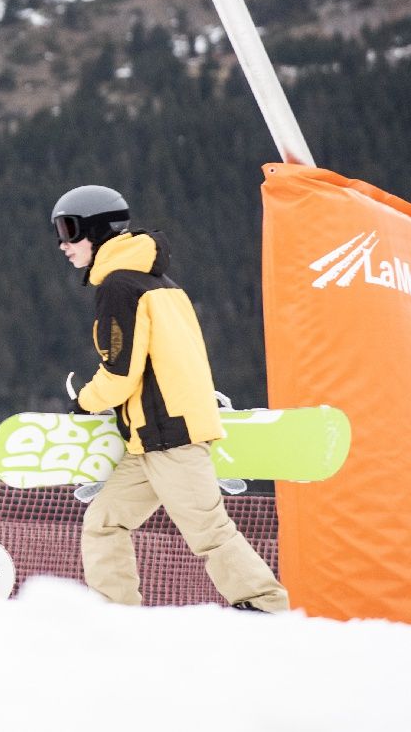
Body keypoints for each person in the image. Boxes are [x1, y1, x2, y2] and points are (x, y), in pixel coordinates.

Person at [51, 184, 289, 612]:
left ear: (97, 229)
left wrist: (84, 403)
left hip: (170, 435)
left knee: (208, 530)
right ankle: (114, 613)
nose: (63, 245)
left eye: (69, 231)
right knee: (104, 522)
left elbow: (121, 373)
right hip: (152, 437)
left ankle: (266, 605)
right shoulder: (159, 282)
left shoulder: (120, 288)